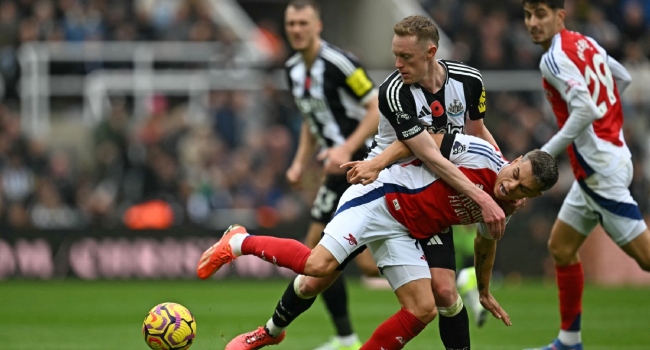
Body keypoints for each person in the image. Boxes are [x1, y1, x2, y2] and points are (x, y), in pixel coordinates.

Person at [222, 14, 509, 350]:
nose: (398, 64)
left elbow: (476, 139)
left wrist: (501, 169)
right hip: (381, 190)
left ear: (431, 52)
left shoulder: (466, 81)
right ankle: (271, 326)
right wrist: (313, 160)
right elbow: (424, 151)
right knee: (318, 272)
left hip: (426, 198)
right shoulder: (393, 91)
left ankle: (336, 337)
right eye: (395, 55)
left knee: (439, 296)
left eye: (406, 57)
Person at [197, 132, 559, 350]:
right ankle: (239, 241)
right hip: (382, 198)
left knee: (423, 308)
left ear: (534, 195)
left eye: (523, 187)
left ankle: (271, 333)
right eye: (514, 174)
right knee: (317, 269)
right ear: (514, 160)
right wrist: (375, 164)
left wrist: (482, 290)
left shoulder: (508, 205)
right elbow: (417, 142)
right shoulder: (479, 154)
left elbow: (485, 242)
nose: (510, 185)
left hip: (408, 230)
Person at [215, 1, 380, 349]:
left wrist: (346, 149)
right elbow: (310, 117)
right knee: (322, 258)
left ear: (318, 25)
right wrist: (299, 161)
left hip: (363, 165)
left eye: (303, 23)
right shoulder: (292, 69)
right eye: (291, 24)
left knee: (336, 261)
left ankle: (446, 279)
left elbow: (376, 106)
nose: (297, 30)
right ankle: (346, 337)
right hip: (337, 173)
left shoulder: (339, 63)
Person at [520, 1, 650, 350]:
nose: (533, 23)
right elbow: (619, 77)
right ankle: (569, 341)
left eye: (541, 15)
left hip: (599, 172)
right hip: (610, 157)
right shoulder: (585, 42)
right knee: (561, 248)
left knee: (647, 259)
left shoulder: (552, 58)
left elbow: (585, 109)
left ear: (560, 16)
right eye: (528, 15)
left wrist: (544, 152)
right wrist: (605, 124)